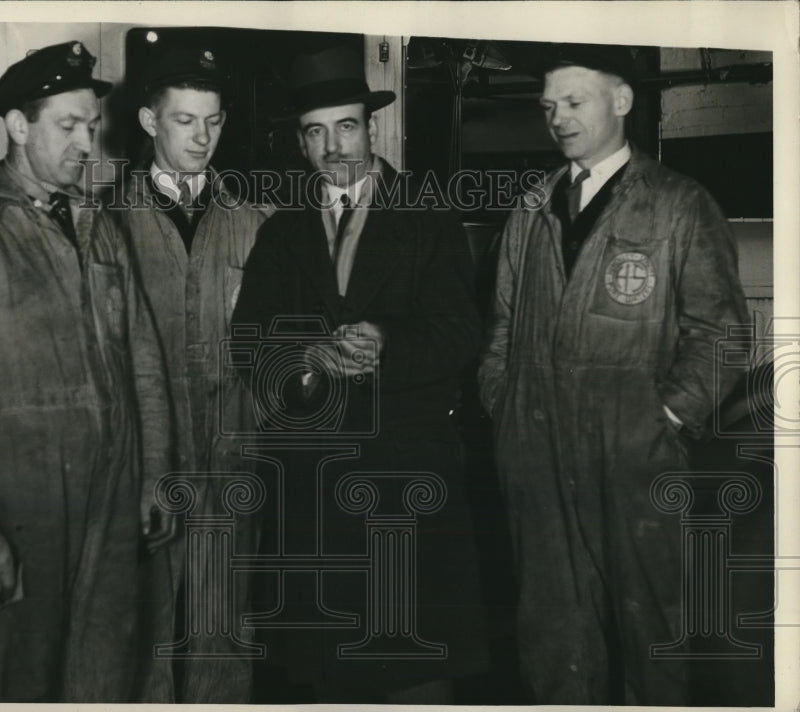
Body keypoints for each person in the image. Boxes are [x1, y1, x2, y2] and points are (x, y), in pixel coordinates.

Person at [0, 40, 172, 702]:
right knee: (9, 683)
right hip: (17, 511)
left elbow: (144, 361)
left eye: (91, 125)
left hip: (110, 510)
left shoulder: (100, 228)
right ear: (19, 127)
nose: (86, 142)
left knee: (103, 681)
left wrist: (156, 476)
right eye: (68, 125)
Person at [478, 43, 749, 705]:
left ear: (621, 100)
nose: (558, 119)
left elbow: (722, 336)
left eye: (574, 102)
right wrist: (507, 411)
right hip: (537, 460)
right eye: (549, 107)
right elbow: (502, 333)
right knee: (553, 643)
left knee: (652, 637)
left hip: (636, 465)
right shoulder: (531, 209)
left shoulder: (678, 206)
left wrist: (665, 420)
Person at [231, 46, 490, 704]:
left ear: (370, 130)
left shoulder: (427, 218)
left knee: (413, 665)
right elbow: (248, 344)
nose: (332, 145)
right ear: (300, 141)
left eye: (345, 126)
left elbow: (463, 332)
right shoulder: (282, 232)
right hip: (314, 487)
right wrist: (306, 359)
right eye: (315, 131)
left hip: (407, 477)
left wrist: (389, 346)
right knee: (327, 668)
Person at [120, 43, 269, 703]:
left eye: (213, 121)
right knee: (133, 629)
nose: (202, 137)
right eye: (185, 121)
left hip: (231, 457)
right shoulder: (104, 224)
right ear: (152, 122)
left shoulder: (254, 224)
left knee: (223, 627)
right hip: (138, 458)